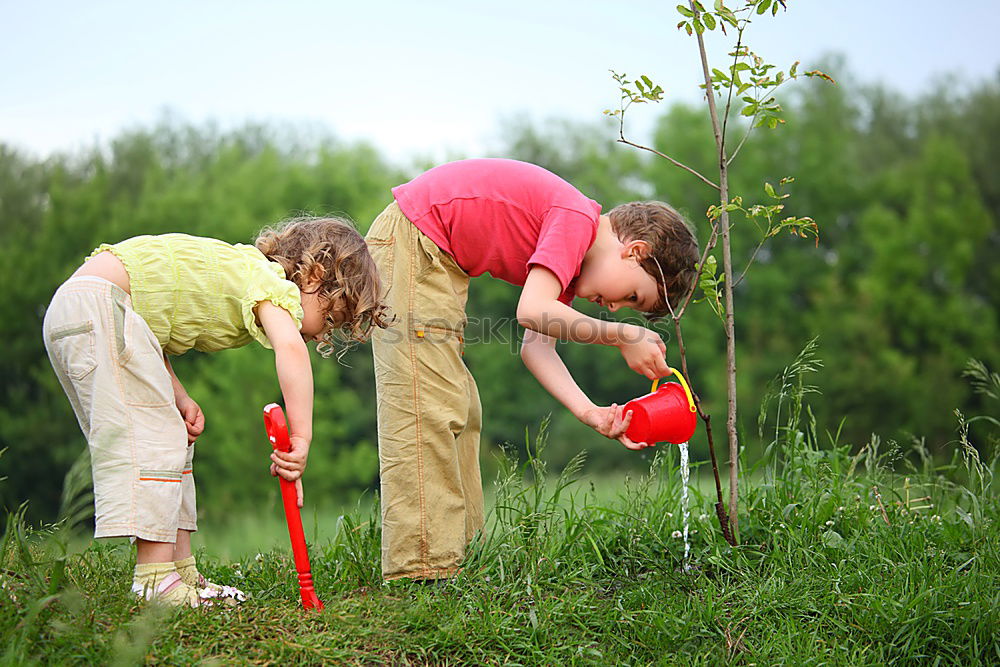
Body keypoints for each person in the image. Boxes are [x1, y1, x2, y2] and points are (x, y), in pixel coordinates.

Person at [365, 158, 700, 581]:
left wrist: (589, 412)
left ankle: (459, 557)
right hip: (415, 243)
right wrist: (622, 335)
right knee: (424, 404)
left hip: (436, 258)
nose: (616, 308)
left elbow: (536, 348)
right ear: (635, 252)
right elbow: (532, 311)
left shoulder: (572, 263)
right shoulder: (576, 220)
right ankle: (422, 570)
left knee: (460, 409)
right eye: (633, 295)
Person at [42, 218, 389, 607]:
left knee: (169, 432)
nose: (323, 335)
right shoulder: (271, 283)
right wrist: (302, 438)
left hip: (91, 309)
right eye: (330, 319)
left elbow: (146, 327)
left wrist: (179, 395)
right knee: (152, 440)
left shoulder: (242, 271)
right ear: (313, 276)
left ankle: (180, 571)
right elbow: (290, 349)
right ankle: (154, 581)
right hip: (99, 306)